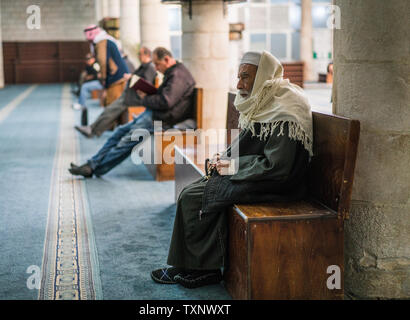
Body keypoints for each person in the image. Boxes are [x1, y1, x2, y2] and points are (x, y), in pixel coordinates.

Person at [150, 51, 314, 289]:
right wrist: (225, 158)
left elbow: (278, 166)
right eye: (239, 77)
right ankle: (185, 263)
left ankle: (206, 270)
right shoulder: (266, 98)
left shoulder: (285, 109)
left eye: (245, 77)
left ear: (264, 76)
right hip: (257, 173)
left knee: (196, 197)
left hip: (278, 183)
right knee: (193, 189)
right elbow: (248, 143)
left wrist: (231, 166)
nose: (239, 84)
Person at [68, 47, 196, 178]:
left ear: (167, 59)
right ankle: (92, 164)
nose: (156, 68)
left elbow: (166, 101)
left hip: (161, 119)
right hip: (154, 114)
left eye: (157, 64)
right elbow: (166, 97)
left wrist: (144, 98)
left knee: (126, 142)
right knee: (119, 133)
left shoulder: (178, 75)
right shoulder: (174, 73)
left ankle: (94, 168)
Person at [74, 46, 157, 138]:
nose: (138, 56)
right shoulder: (143, 67)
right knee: (109, 109)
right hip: (129, 95)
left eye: (140, 54)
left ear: (147, 55)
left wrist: (131, 78)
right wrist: (131, 76)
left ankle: (93, 130)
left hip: (134, 98)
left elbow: (145, 85)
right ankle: (92, 129)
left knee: (110, 111)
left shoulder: (149, 68)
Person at [84, 24, 129, 106]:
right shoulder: (106, 39)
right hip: (120, 75)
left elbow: (102, 61)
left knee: (112, 104)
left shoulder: (101, 42)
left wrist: (103, 78)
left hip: (116, 78)